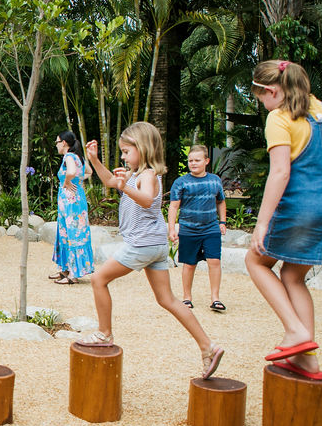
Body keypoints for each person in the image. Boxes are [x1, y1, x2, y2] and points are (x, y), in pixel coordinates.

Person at [82, 122, 224, 379]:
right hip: (157, 244)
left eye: (126, 152)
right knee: (167, 299)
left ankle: (104, 333)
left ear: (142, 148)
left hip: (143, 243)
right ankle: (208, 346)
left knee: (98, 278)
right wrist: (94, 160)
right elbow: (110, 181)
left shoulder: (146, 176)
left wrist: (126, 186)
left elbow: (146, 199)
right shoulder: (139, 174)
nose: (124, 157)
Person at [245, 60, 322, 381]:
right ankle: (307, 360)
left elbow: (281, 172)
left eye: (261, 99)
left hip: (301, 206)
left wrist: (262, 224)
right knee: (293, 275)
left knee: (255, 261)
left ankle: (295, 331)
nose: (263, 106)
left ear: (271, 91)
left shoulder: (279, 117)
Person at [168, 145, 227, 312]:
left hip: (211, 228)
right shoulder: (180, 182)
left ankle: (215, 298)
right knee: (189, 264)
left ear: (206, 161)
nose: (193, 163)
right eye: (190, 160)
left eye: (197, 160)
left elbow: (221, 201)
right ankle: (187, 298)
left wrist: (222, 222)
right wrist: (172, 229)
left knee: (214, 261)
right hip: (188, 229)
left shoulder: (215, 180)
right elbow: (173, 207)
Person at [50, 131, 94, 285]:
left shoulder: (69, 157)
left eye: (57, 142)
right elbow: (88, 172)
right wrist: (76, 180)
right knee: (66, 233)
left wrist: (69, 181)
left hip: (71, 203)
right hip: (73, 201)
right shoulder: (77, 157)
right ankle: (66, 269)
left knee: (72, 233)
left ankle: (73, 274)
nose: (56, 145)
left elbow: (71, 171)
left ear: (63, 143)